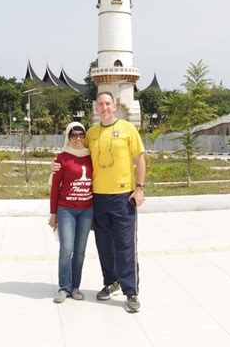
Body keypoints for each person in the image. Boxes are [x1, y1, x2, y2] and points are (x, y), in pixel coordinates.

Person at [54, 92, 146, 312]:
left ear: (114, 106)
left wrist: (140, 188)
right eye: (100, 104)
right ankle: (111, 282)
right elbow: (74, 148)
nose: (104, 107)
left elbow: (140, 158)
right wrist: (56, 164)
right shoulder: (92, 134)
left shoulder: (128, 129)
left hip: (123, 197)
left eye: (107, 103)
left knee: (125, 245)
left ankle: (130, 291)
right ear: (96, 108)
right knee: (104, 246)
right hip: (98, 198)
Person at [49, 121, 93, 303]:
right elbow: (55, 188)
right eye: (73, 135)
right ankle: (63, 287)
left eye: (81, 135)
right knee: (66, 249)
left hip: (86, 210)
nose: (78, 138)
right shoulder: (62, 158)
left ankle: (75, 287)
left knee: (80, 250)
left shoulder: (91, 156)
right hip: (66, 210)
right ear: (68, 137)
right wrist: (53, 213)